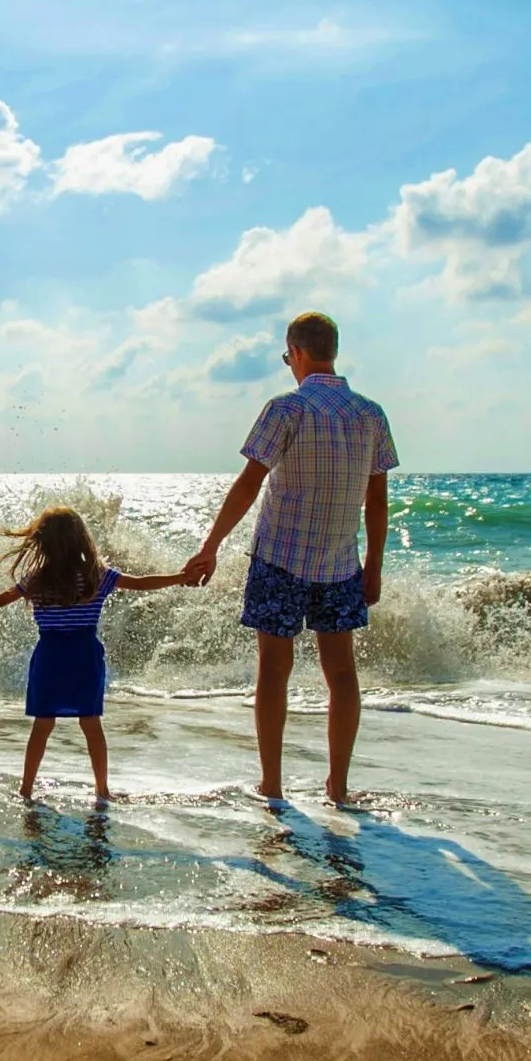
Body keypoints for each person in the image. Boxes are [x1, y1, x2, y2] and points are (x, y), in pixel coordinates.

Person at [182, 311, 398, 807]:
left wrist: (210, 546)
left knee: (274, 672)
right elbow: (378, 502)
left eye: (287, 357)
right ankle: (337, 788)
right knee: (341, 675)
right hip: (341, 563)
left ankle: (273, 785)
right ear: (334, 351)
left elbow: (248, 483)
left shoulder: (286, 409)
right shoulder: (370, 414)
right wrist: (375, 566)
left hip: (279, 558)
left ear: (296, 352)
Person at [0, 504, 193, 803]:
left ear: (43, 542)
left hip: (50, 656)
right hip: (84, 656)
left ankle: (26, 789)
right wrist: (180, 577)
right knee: (90, 723)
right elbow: (141, 584)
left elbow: (1, 600)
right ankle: (102, 790)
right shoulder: (96, 575)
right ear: (81, 539)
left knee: (42, 725)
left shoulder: (36, 578)